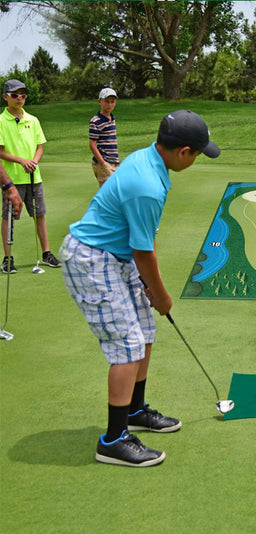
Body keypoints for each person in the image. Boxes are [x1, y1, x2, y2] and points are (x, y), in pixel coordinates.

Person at [60, 110, 220, 467]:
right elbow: (143, 250)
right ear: (184, 152)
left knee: (145, 332)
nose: (196, 160)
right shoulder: (147, 185)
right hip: (92, 260)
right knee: (128, 345)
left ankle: (134, 409)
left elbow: (137, 247)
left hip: (116, 258)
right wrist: (161, 295)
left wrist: (151, 293)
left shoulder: (149, 158)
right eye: (197, 153)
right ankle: (113, 440)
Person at [0, 79, 61, 274]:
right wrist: (21, 161)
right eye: (15, 95)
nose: (20, 99)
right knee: (8, 217)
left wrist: (33, 161)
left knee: (40, 215)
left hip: (34, 177)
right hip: (11, 179)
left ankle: (46, 253)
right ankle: (7, 258)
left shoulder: (33, 120)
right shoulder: (1, 121)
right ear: (6, 97)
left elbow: (39, 147)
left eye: (23, 95)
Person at [89, 87, 120, 187]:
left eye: (112, 101)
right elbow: (92, 144)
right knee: (109, 195)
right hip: (104, 162)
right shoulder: (95, 121)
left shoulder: (112, 118)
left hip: (114, 161)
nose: (110, 104)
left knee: (117, 192)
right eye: (106, 101)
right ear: (100, 101)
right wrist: (102, 163)